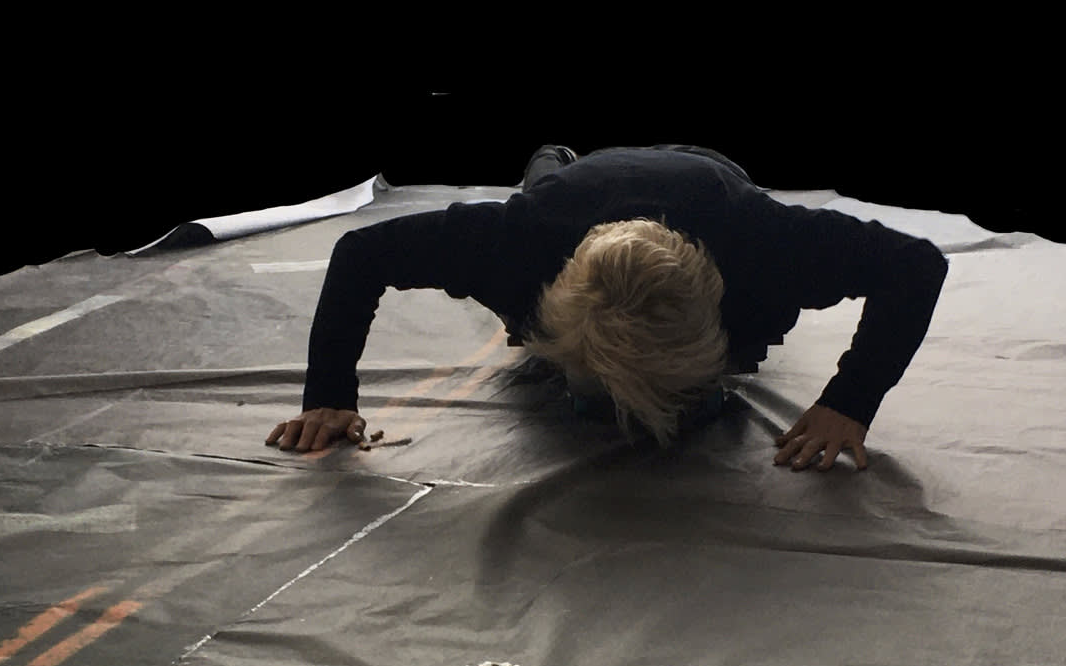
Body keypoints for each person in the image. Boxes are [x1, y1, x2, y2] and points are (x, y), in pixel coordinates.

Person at [266, 143, 950, 472]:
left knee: (712, 172)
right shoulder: (513, 245)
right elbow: (360, 251)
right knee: (552, 179)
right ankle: (554, 155)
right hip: (571, 190)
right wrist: (328, 393)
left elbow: (918, 265)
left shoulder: (770, 246)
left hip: (708, 177)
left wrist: (849, 400)